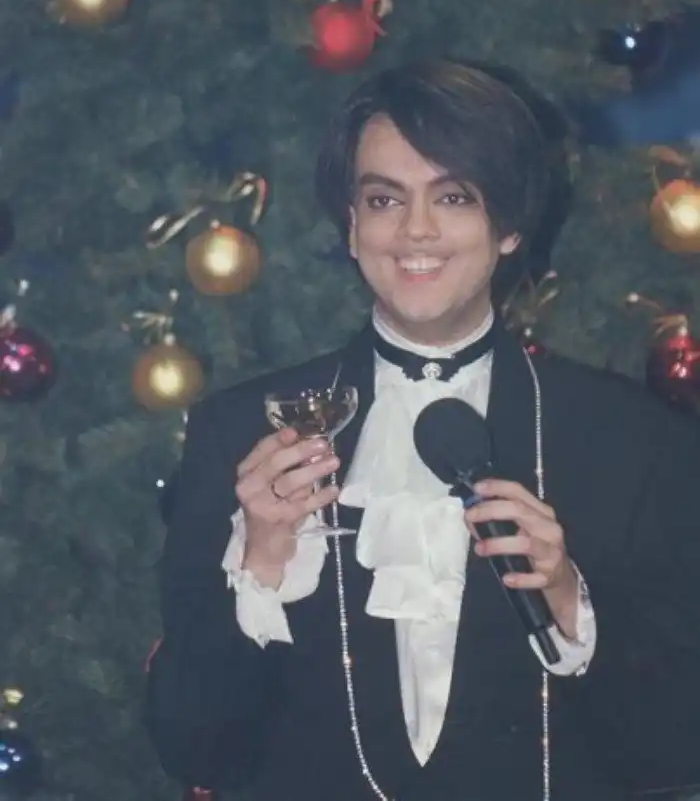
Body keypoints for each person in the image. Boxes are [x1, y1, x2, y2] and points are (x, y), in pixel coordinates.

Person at [145, 60, 700, 801]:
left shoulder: (631, 439)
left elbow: (674, 751)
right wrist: (262, 563)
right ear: (352, 227)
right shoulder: (240, 433)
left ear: (510, 226)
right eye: (384, 199)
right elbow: (193, 748)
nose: (416, 230)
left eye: (454, 196)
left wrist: (570, 601)